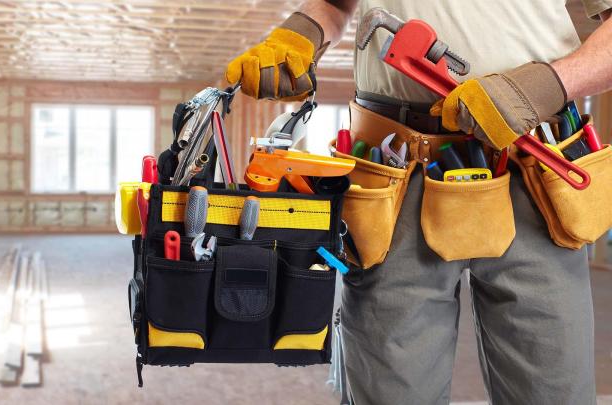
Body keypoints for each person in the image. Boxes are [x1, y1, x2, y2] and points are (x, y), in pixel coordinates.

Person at [226, 1, 612, 404]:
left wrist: (545, 86)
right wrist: (299, 33)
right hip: (395, 174)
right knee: (388, 389)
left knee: (553, 388)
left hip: (536, 169)